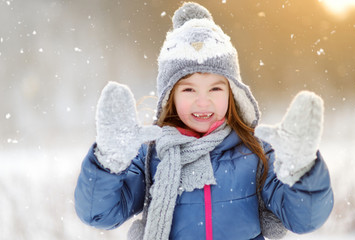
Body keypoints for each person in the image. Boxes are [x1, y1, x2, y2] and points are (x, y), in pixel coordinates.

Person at [74, 2, 333, 240]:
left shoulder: (256, 152)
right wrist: (108, 163)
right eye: (188, 90)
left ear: (233, 93)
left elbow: (304, 219)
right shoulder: (152, 155)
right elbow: (100, 215)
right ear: (170, 96)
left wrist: (302, 169)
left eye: (215, 89)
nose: (202, 101)